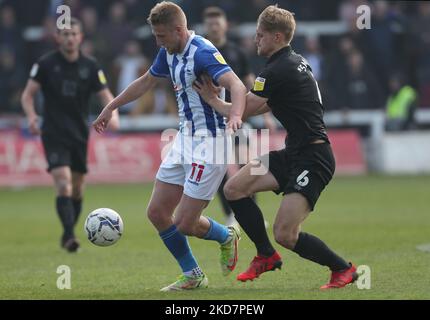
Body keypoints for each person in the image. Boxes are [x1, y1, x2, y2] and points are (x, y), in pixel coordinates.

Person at [194, 5, 357, 289]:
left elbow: (245, 110)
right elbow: (262, 106)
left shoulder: (278, 68)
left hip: (313, 158)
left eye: (260, 35)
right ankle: (266, 255)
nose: (255, 40)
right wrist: (224, 103)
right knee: (234, 188)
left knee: (286, 233)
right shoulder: (290, 63)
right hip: (292, 153)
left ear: (278, 37)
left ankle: (343, 269)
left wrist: (212, 99)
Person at [92, 1, 246, 291]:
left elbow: (237, 86)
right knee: (157, 213)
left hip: (211, 144)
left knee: (185, 222)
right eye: (155, 36)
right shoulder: (169, 51)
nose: (157, 42)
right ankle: (193, 274)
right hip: (184, 138)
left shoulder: (202, 52)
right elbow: (146, 81)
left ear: (178, 30)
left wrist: (235, 115)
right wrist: (110, 106)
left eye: (161, 36)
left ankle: (226, 235)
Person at [21, 18, 119, 253]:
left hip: (79, 133)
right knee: (63, 184)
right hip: (53, 132)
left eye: (73, 34)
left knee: (77, 189)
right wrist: (32, 117)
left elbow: (105, 94)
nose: (70, 38)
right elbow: (28, 95)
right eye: (65, 34)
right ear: (58, 38)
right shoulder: (45, 64)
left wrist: (113, 115)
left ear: (81, 37)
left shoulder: (91, 65)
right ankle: (69, 236)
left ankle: (68, 232)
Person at [202, 6, 277, 227]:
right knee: (220, 168)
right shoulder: (200, 51)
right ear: (205, 27)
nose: (214, 26)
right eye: (210, 23)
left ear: (225, 24)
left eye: (217, 22)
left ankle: (251, 214)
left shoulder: (237, 52)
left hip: (239, 117)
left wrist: (265, 116)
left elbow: (250, 83)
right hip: (211, 120)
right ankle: (230, 215)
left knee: (247, 165)